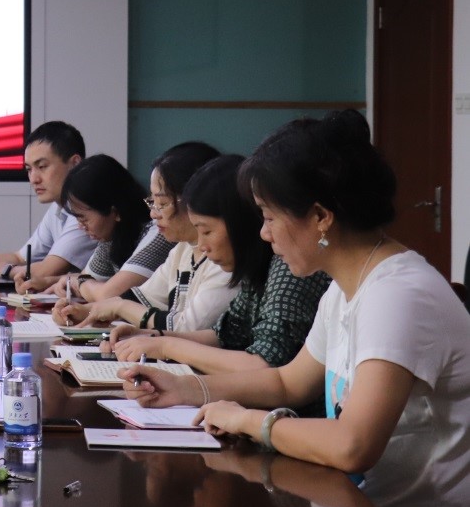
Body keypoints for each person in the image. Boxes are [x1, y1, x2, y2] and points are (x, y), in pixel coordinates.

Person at [122, 111, 470, 507]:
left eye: (269, 216)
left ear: (320, 216)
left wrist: (250, 421)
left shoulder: (398, 295)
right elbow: (289, 381)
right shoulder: (345, 288)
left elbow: (353, 445)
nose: (263, 234)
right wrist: (184, 389)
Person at [103, 154, 329, 382]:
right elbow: (225, 335)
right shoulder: (255, 269)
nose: (201, 245)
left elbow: (264, 365)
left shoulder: (289, 267)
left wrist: (165, 346)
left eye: (207, 231)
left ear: (240, 223)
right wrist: (151, 336)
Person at [54, 141, 237, 333]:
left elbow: (186, 327)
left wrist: (118, 307)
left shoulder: (225, 258)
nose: (153, 213)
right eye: (152, 202)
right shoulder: (181, 250)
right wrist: (86, 311)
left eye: (162, 203)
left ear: (196, 200)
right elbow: (142, 298)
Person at [0, 121, 97, 291]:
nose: (34, 179)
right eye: (29, 169)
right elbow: (20, 258)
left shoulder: (88, 210)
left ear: (75, 163)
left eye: (42, 167)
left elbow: (46, 271)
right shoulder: (58, 208)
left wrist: (6, 270)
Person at [46, 154, 175, 305]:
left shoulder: (159, 232)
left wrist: (79, 282)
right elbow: (87, 281)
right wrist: (70, 281)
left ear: (115, 211)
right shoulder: (112, 238)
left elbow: (108, 295)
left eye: (84, 219)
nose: (81, 227)